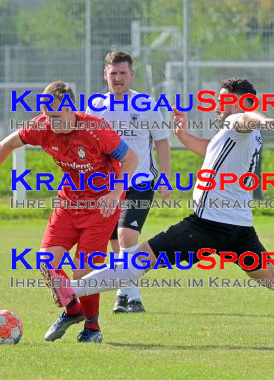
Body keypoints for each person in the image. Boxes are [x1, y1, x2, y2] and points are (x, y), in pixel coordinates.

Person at [45, 78, 274, 345]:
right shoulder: (232, 134)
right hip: (238, 229)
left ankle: (72, 290)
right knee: (273, 277)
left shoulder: (239, 122)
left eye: (223, 101)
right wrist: (181, 134)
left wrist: (266, 120)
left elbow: (247, 117)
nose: (218, 106)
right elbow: (211, 149)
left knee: (139, 259)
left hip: (207, 226)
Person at [0, 80, 138, 343]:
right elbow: (6, 146)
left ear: (71, 109)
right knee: (47, 263)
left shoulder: (95, 129)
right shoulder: (42, 126)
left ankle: (92, 328)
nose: (50, 121)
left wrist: (114, 193)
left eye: (56, 116)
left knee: (84, 272)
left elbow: (131, 159)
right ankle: (73, 310)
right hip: (68, 203)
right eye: (47, 115)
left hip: (101, 206)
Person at [86, 51, 171, 313]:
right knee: (116, 243)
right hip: (106, 185)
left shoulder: (147, 104)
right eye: (113, 73)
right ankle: (128, 296)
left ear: (132, 75)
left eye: (123, 73)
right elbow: (91, 145)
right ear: (105, 75)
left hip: (140, 181)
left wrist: (165, 178)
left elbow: (162, 142)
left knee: (126, 236)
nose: (118, 78)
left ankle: (129, 296)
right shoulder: (96, 106)